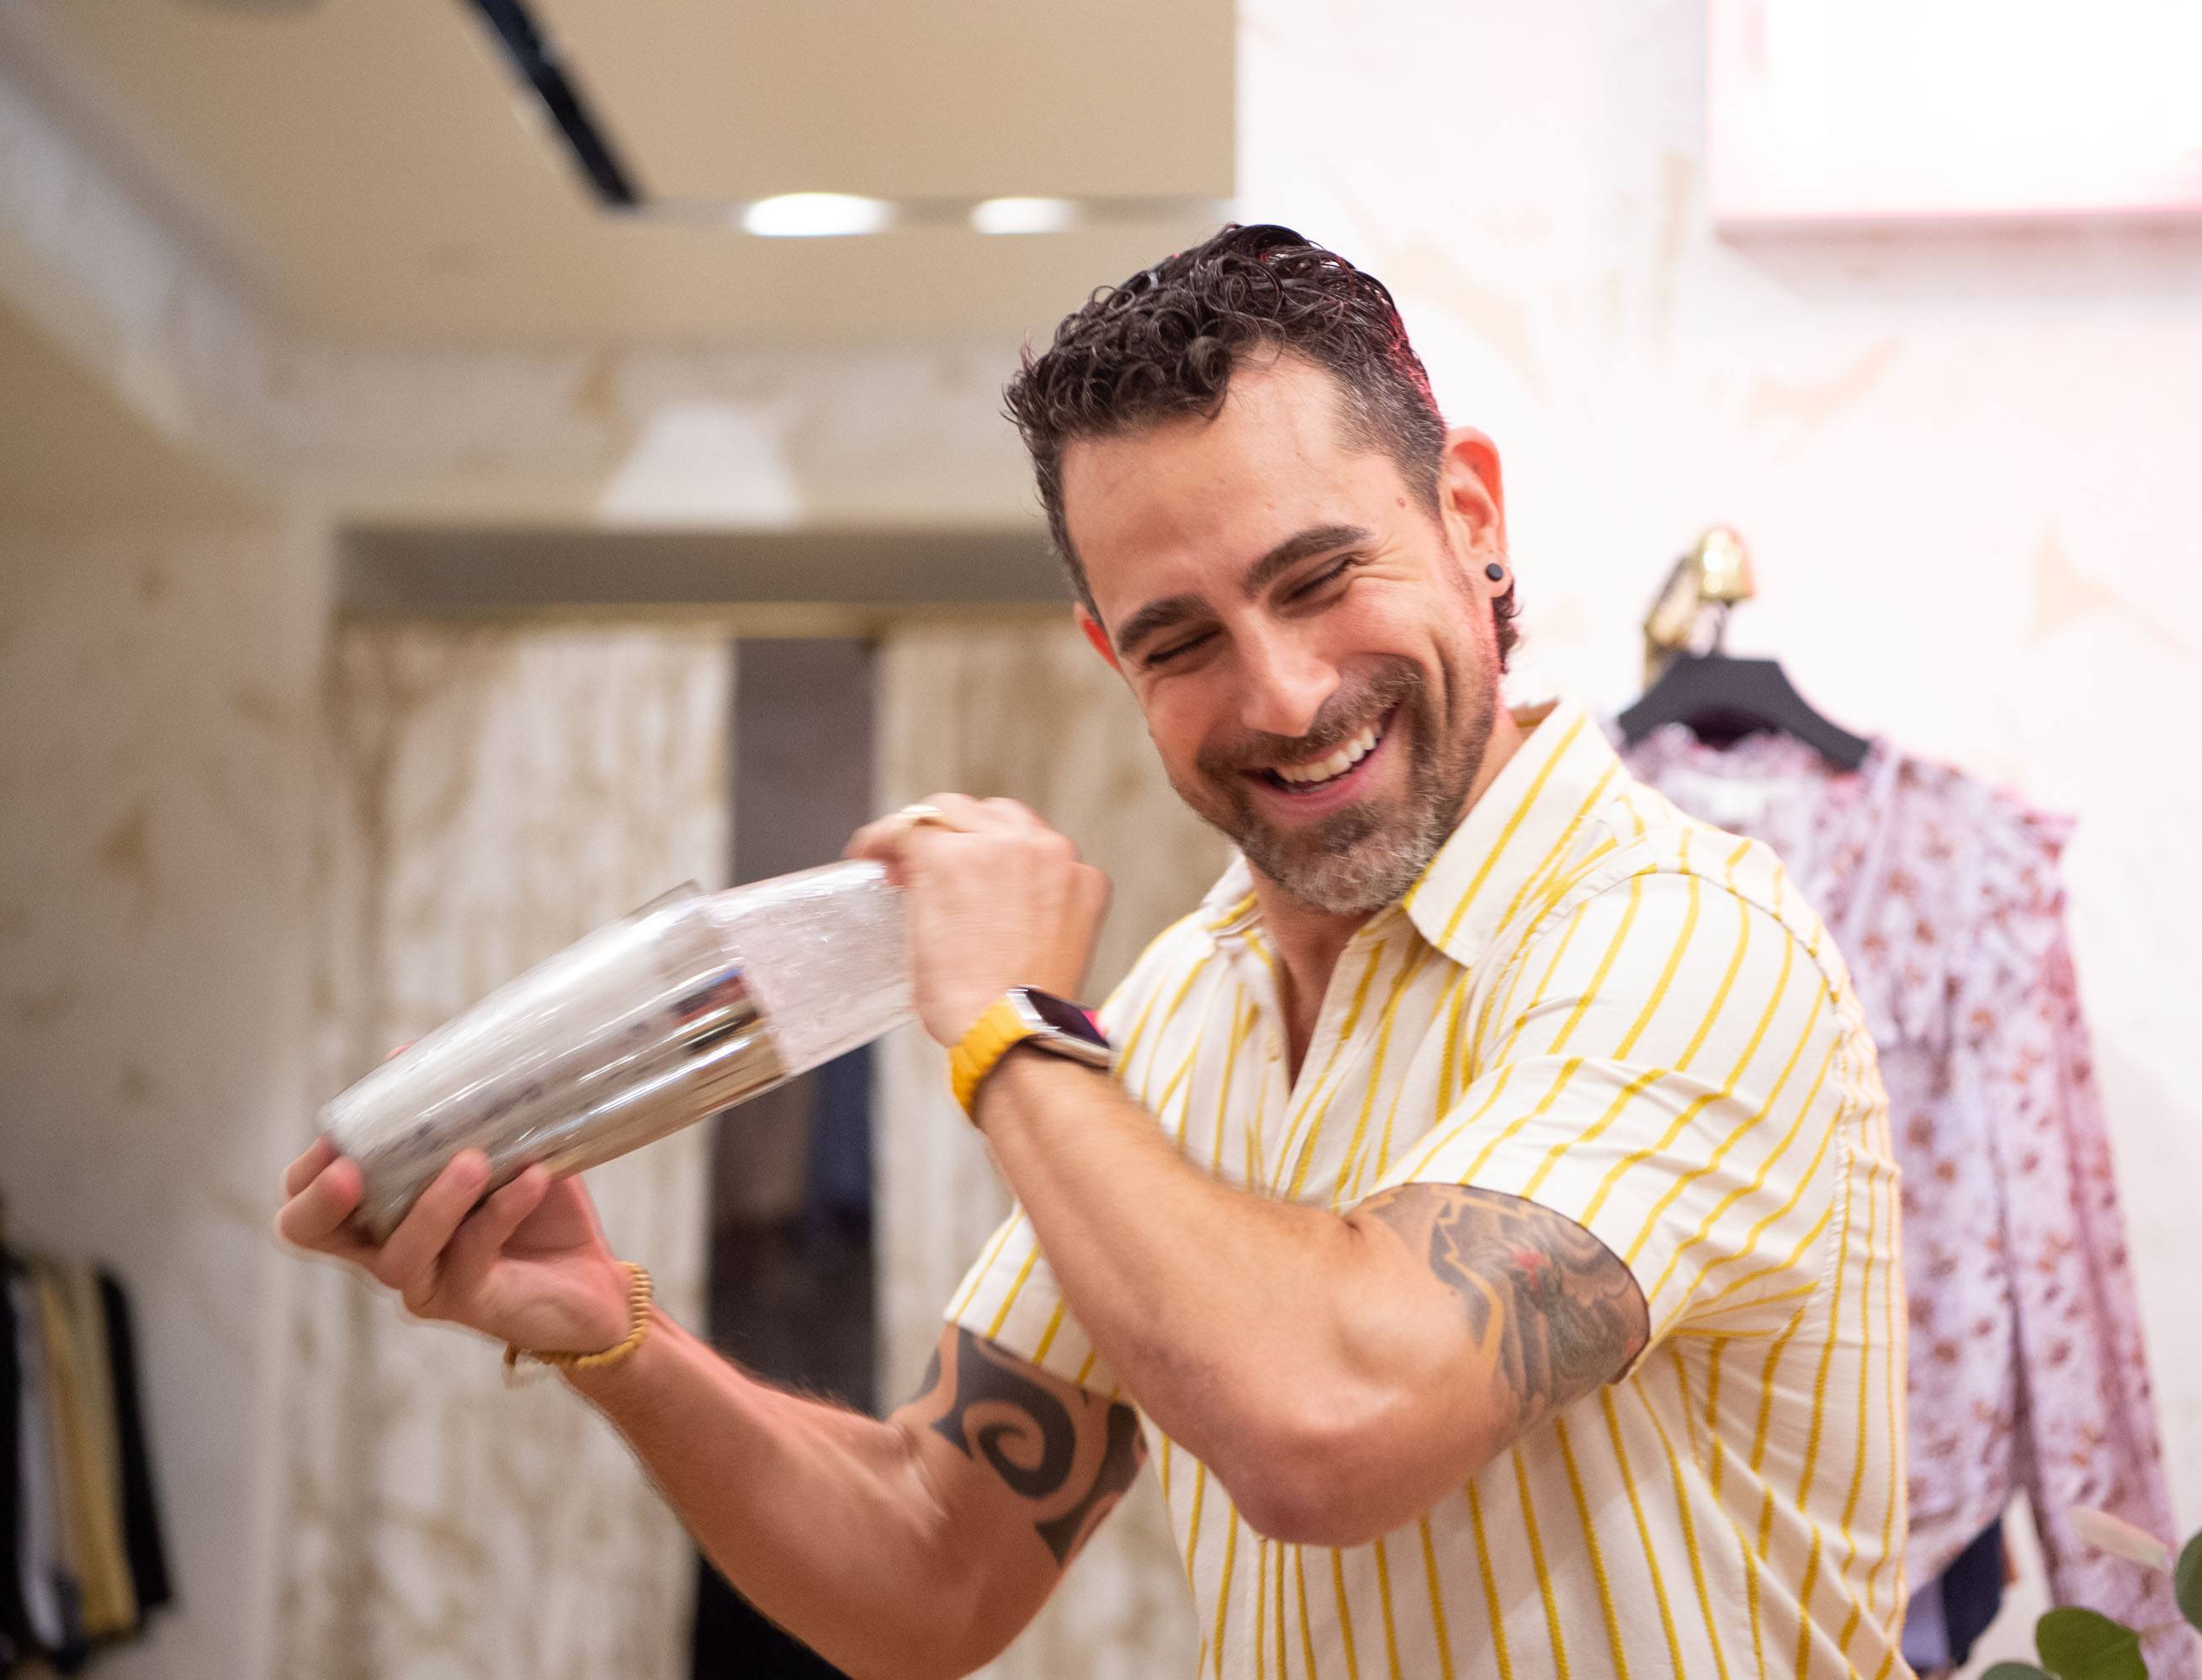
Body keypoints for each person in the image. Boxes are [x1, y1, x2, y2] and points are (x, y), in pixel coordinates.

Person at [276, 224, 1908, 1680]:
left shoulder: (1685, 939)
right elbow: (928, 1573)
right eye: (1180, 640)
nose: (1276, 694)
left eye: (1321, 577)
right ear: (1106, 657)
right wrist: (612, 1329)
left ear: (1468, 512)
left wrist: (1004, 1026)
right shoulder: (1188, 1014)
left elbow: (1326, 1428)